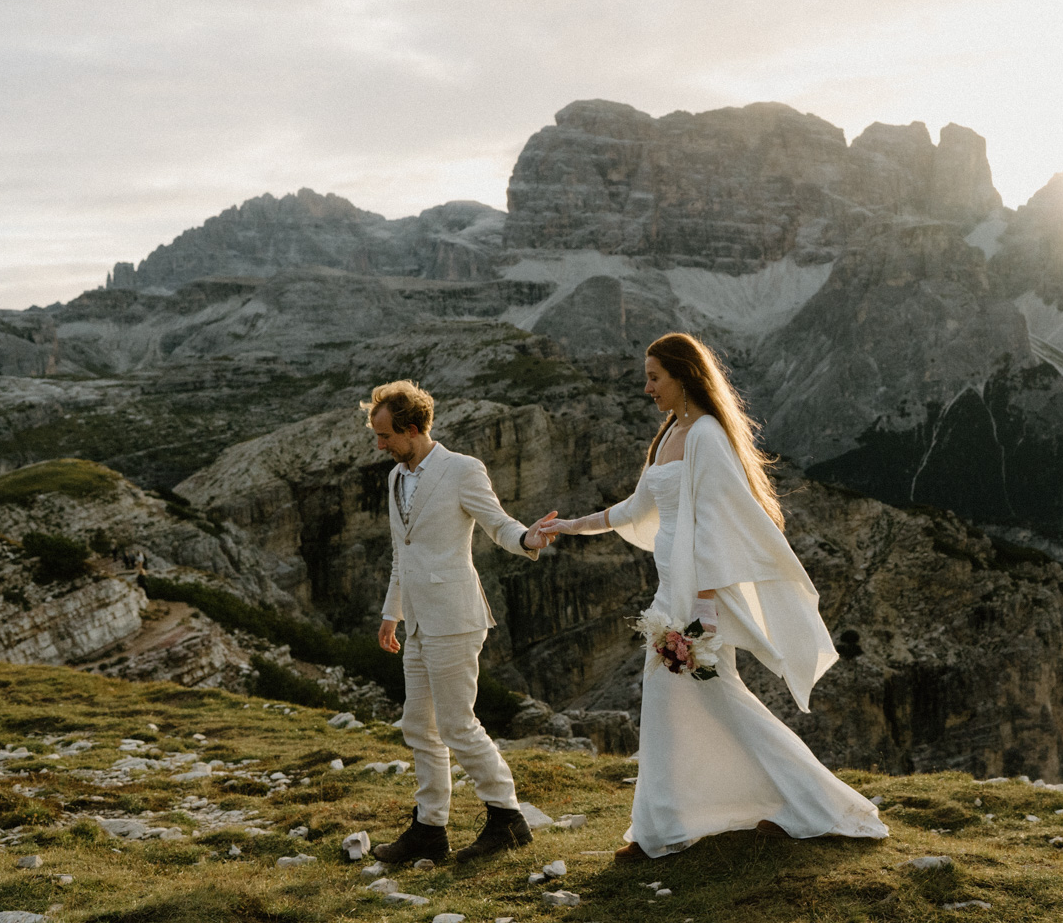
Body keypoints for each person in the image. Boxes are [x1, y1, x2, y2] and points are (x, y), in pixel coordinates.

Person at [547, 333, 888, 860]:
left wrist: (704, 609)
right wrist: (571, 526)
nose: (647, 387)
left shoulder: (706, 435)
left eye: (655, 376)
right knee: (677, 706)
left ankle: (802, 808)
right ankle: (669, 825)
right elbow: (635, 509)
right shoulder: (668, 436)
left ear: (683, 376)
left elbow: (714, 526)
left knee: (714, 699)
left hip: (695, 594)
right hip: (671, 592)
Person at [362, 380, 559, 864]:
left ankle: (507, 818)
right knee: (418, 725)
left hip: (455, 618)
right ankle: (430, 828)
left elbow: (497, 523)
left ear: (412, 429)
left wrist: (528, 539)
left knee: (456, 724)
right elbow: (400, 554)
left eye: (385, 436)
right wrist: (393, 614)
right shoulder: (394, 479)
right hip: (418, 625)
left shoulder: (462, 469)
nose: (380, 446)